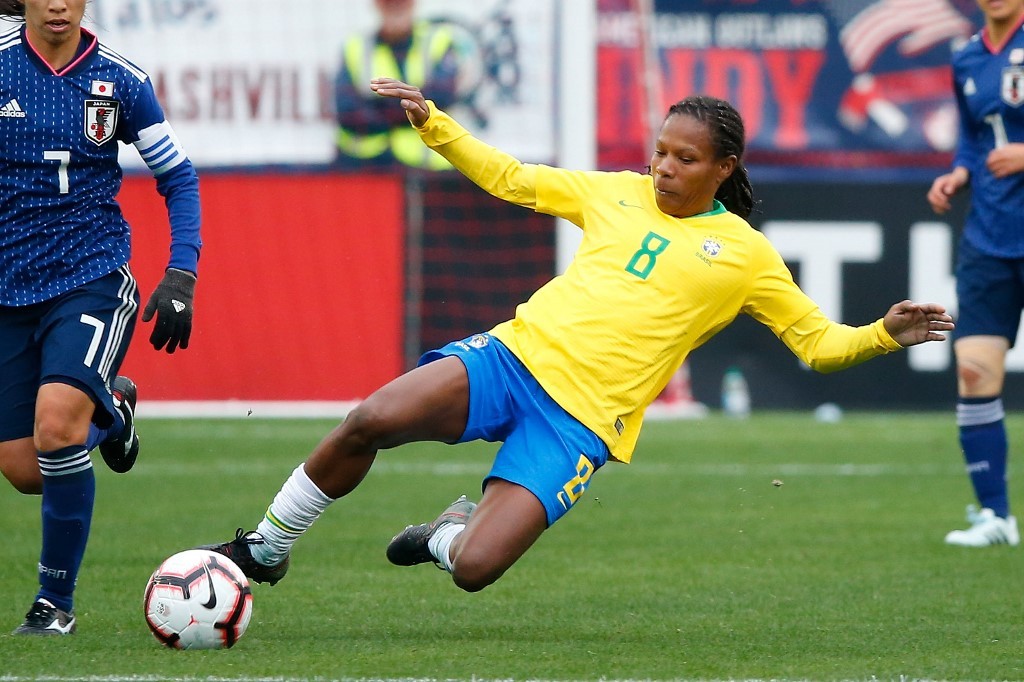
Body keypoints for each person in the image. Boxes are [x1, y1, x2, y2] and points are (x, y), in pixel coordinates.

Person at [204, 77, 953, 594]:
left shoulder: (748, 257)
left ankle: (446, 533)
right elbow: (511, 178)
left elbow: (818, 346)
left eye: (684, 159)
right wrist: (434, 123)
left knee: (473, 570)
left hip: (580, 426)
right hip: (513, 359)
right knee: (370, 419)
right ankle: (266, 549)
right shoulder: (614, 193)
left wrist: (881, 334)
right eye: (660, 149)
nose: (663, 166)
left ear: (723, 169)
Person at [0, 0, 202, 634]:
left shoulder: (123, 82)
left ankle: (53, 605)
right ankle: (111, 413)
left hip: (90, 280)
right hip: (9, 290)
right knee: (26, 469)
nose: (58, 4)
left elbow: (179, 178)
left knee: (56, 429)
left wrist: (182, 272)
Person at [926, 0, 1024, 548]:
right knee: (974, 372)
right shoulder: (966, 56)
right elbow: (973, 132)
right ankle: (996, 518)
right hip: (989, 238)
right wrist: (959, 171)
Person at [333, 0, 461, 170]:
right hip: (367, 167)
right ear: (377, 4)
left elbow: (441, 97)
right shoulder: (355, 46)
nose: (395, 5)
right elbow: (347, 111)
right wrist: (410, 105)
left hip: (428, 170)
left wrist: (376, 104)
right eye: (388, 1)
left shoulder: (438, 40)